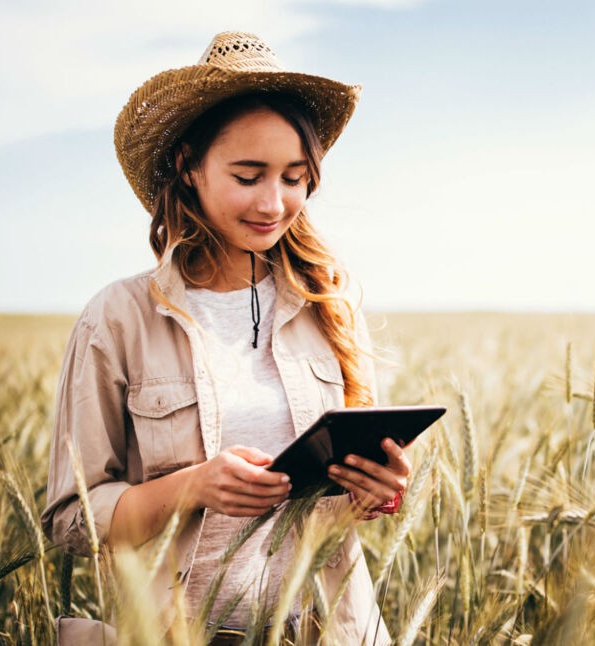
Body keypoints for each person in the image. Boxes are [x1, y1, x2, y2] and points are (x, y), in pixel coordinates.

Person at [41, 31, 405, 645]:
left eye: (294, 177)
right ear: (189, 166)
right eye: (248, 175)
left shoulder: (330, 304)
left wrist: (379, 492)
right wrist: (193, 486)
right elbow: (73, 519)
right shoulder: (118, 318)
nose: (274, 202)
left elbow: (339, 504)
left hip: (325, 629)